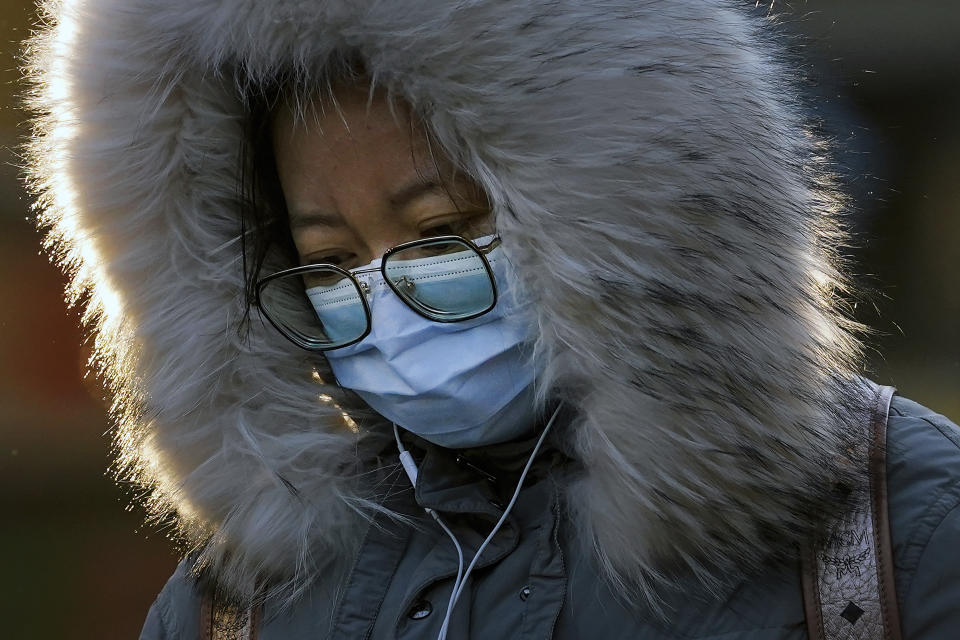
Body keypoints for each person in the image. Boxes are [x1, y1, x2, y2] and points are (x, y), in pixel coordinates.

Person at [23, 1, 960, 638]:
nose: (387, 303)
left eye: (440, 234)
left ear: (630, 215)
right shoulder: (240, 606)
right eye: (329, 262)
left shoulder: (896, 527)